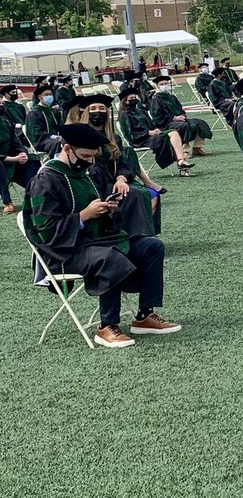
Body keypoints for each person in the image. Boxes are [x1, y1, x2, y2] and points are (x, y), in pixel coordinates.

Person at [23, 123, 180, 349]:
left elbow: (101, 221)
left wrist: (108, 209)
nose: (90, 161)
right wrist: (84, 215)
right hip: (63, 252)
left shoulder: (84, 174)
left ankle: (144, 315)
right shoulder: (46, 179)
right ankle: (107, 326)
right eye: (86, 155)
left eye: (94, 156)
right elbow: (45, 230)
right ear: (67, 149)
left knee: (151, 246)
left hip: (98, 243)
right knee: (110, 256)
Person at [78, 95, 163, 237]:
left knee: (152, 194)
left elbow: (123, 163)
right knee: (136, 194)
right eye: (92, 109)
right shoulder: (79, 137)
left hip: (115, 182)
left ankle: (142, 233)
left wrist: (121, 179)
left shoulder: (114, 138)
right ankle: (132, 236)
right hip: (93, 185)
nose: (97, 112)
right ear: (86, 112)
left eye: (101, 108)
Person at [116, 83, 191, 175]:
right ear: (125, 101)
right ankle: (182, 164)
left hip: (151, 136)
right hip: (140, 139)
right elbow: (129, 134)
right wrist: (148, 132)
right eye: (131, 99)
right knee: (169, 138)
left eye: (135, 98)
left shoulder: (140, 111)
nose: (134, 100)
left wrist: (156, 130)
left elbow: (152, 125)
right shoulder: (124, 115)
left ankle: (181, 161)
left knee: (174, 132)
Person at [149, 74, 212, 156]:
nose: (164, 86)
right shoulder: (155, 99)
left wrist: (183, 116)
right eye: (162, 84)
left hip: (179, 121)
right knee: (184, 126)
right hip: (165, 124)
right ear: (157, 86)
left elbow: (180, 109)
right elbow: (157, 117)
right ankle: (184, 151)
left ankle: (197, 147)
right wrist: (174, 118)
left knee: (199, 123)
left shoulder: (171, 97)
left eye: (166, 83)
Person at [0, 87, 41, 215]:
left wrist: (22, 153)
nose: (1, 102)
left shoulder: (5, 122)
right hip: (3, 162)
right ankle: (8, 202)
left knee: (33, 160)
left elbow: (16, 143)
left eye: (0, 99)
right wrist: (13, 159)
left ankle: (33, 196)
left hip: (12, 161)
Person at [25, 84, 60, 155]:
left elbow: (61, 126)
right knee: (58, 143)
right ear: (40, 97)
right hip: (41, 142)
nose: (49, 96)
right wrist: (54, 137)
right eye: (46, 95)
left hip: (55, 138)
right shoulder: (34, 113)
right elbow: (36, 133)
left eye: (50, 94)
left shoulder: (53, 111)